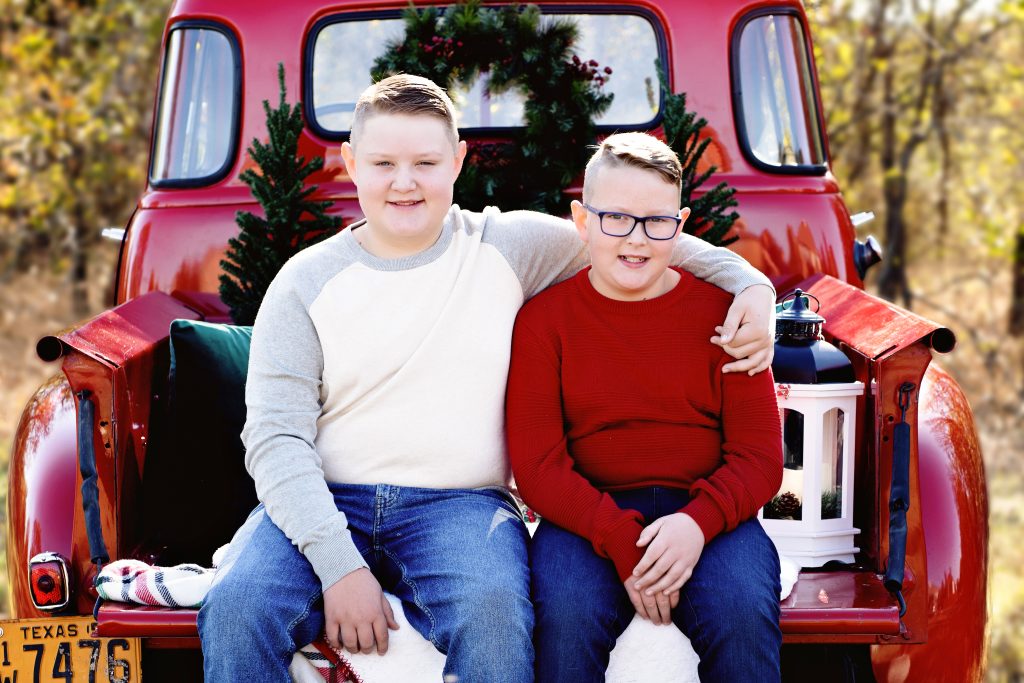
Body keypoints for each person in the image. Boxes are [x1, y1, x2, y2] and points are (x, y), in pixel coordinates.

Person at [198, 75, 776, 682]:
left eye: (425, 162)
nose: (404, 181)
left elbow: (637, 236)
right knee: (237, 608)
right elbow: (275, 440)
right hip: (324, 496)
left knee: (496, 616)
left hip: (460, 507)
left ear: (458, 161)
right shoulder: (304, 281)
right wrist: (339, 565)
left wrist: (752, 287)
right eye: (383, 162)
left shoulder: (507, 245)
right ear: (350, 164)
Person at [506, 132, 784, 682]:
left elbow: (759, 458)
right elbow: (538, 467)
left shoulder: (727, 318)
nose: (636, 239)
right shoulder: (545, 322)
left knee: (742, 613)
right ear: (582, 221)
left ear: (679, 226)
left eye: (656, 222)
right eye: (616, 219)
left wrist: (696, 526)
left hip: (711, 517)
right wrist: (622, 544)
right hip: (587, 518)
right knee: (565, 615)